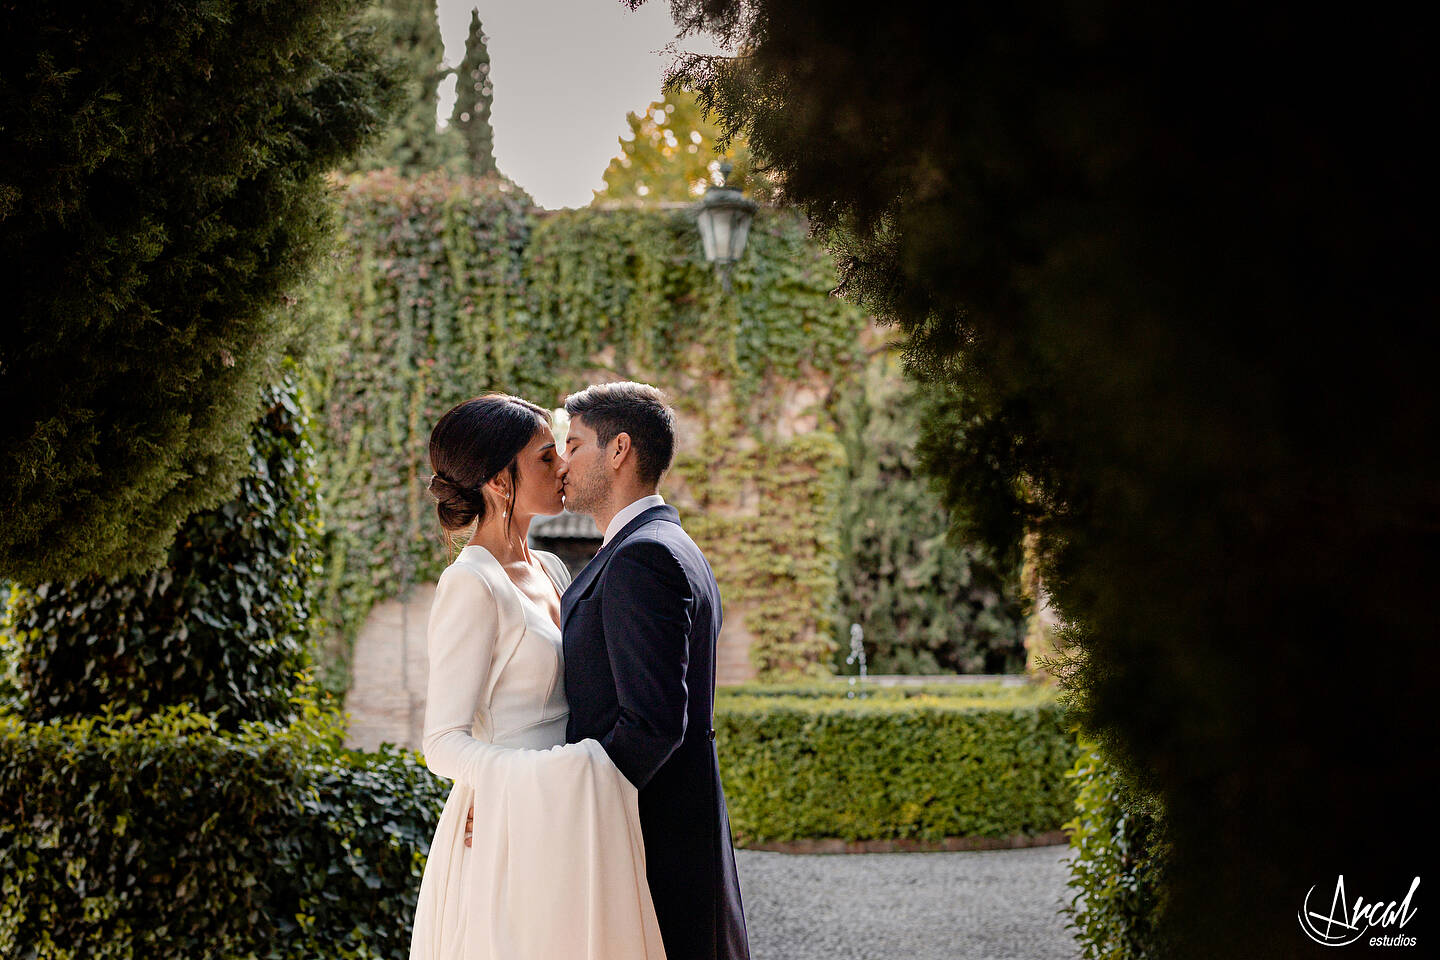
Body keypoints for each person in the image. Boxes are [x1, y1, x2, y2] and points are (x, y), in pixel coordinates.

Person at [466, 381, 752, 960]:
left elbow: (651, 726)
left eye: (573, 444)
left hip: (650, 844)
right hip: (670, 833)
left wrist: (555, 805)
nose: (562, 463)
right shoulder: (666, 544)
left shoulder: (640, 558)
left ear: (618, 450)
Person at [409, 393, 666, 960]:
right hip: (510, 826)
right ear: (501, 481)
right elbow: (442, 743)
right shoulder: (470, 584)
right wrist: (530, 780)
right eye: (546, 458)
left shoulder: (551, 568)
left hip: (574, 816)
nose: (564, 467)